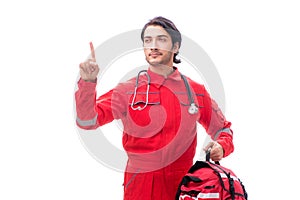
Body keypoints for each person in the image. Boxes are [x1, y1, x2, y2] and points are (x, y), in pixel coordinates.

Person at [75, 16, 234, 200]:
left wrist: (222, 146)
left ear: (175, 47)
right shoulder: (128, 90)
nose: (153, 46)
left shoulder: (195, 92)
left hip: (181, 188)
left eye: (162, 39)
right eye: (148, 40)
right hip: (139, 187)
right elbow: (87, 121)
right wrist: (88, 83)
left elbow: (223, 129)